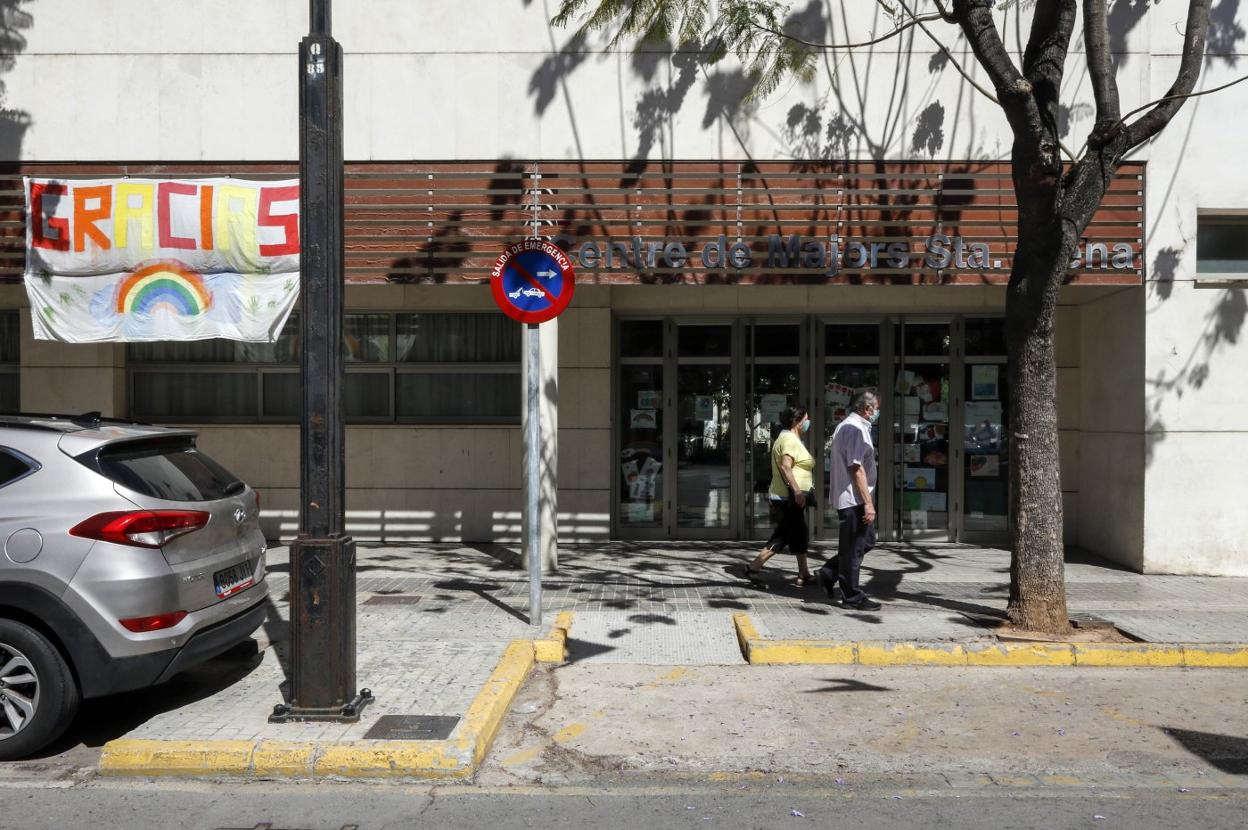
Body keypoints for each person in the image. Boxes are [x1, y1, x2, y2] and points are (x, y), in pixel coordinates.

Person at [818, 391, 883, 610]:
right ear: (867, 409)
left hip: (851, 497)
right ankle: (852, 596)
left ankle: (829, 573)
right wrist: (868, 502)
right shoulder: (854, 430)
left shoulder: (848, 426)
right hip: (854, 499)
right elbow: (856, 469)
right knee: (855, 549)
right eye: (877, 409)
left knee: (866, 541)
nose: (877, 413)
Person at [744, 406, 817, 586]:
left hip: (786, 496)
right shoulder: (789, 439)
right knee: (785, 534)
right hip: (789, 497)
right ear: (797, 422)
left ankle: (804, 573)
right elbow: (786, 466)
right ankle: (754, 567)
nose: (808, 422)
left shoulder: (785, 438)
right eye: (806, 419)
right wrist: (798, 491)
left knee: (797, 532)